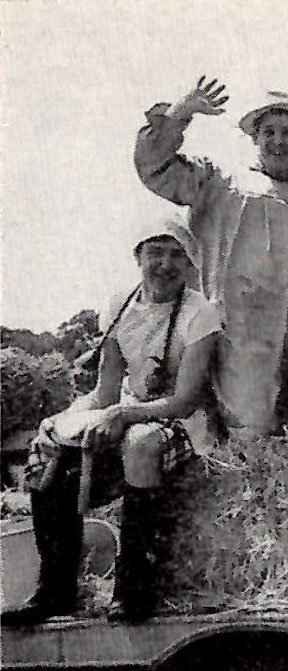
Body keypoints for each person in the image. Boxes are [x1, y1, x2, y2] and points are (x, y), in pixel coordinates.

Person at [3, 217, 221, 625]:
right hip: (127, 412)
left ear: (190, 266)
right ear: (137, 257)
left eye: (177, 255)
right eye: (155, 253)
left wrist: (123, 414)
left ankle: (134, 590)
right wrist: (61, 422)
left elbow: (186, 400)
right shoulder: (120, 307)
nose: (165, 264)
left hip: (181, 423)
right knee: (49, 451)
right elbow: (105, 393)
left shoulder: (200, 314)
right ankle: (56, 591)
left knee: (139, 443)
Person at [134, 75, 288, 435]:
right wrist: (180, 113)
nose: (279, 141)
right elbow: (155, 169)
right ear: (254, 137)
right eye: (269, 131)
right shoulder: (220, 180)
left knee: (260, 429)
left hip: (282, 333)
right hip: (222, 321)